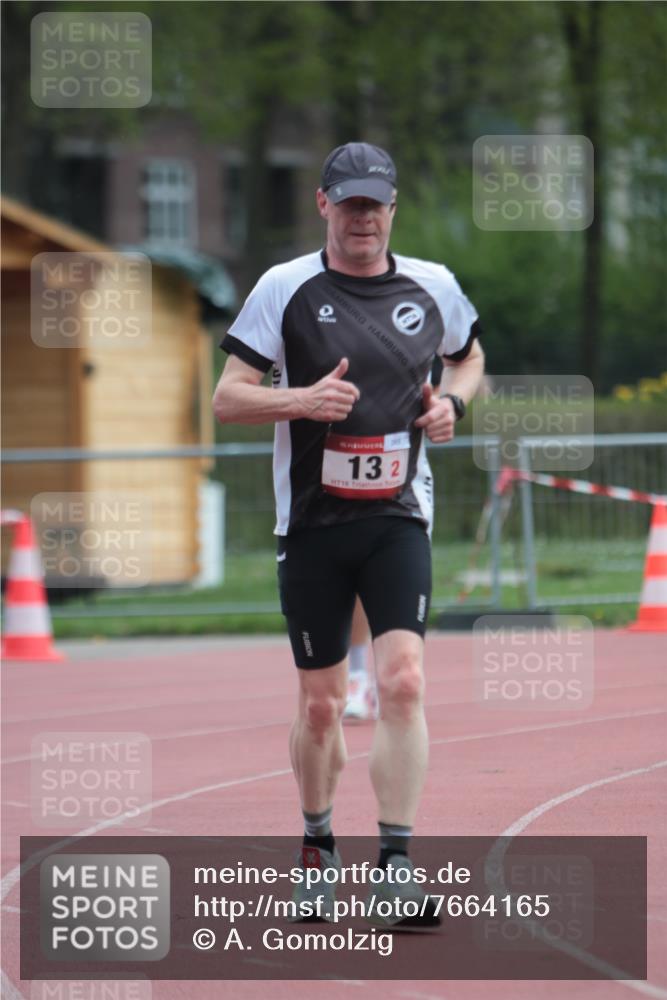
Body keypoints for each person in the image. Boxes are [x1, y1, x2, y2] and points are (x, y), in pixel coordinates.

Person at [212, 141, 484, 926]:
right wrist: (298, 402)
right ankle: (316, 848)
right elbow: (228, 398)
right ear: (324, 205)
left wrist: (452, 407)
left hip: (399, 516)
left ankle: (396, 864)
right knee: (323, 704)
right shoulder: (284, 286)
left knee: (402, 681)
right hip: (312, 524)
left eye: (376, 204)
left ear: (392, 209)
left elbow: (467, 361)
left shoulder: (432, 285)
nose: (363, 217)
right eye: (349, 203)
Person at [344, 357, 443, 722]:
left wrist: (451, 404)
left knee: (399, 578)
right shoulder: (326, 311)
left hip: (406, 485)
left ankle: (401, 674)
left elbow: (467, 358)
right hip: (342, 472)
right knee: (353, 581)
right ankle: (357, 676)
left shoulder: (435, 304)